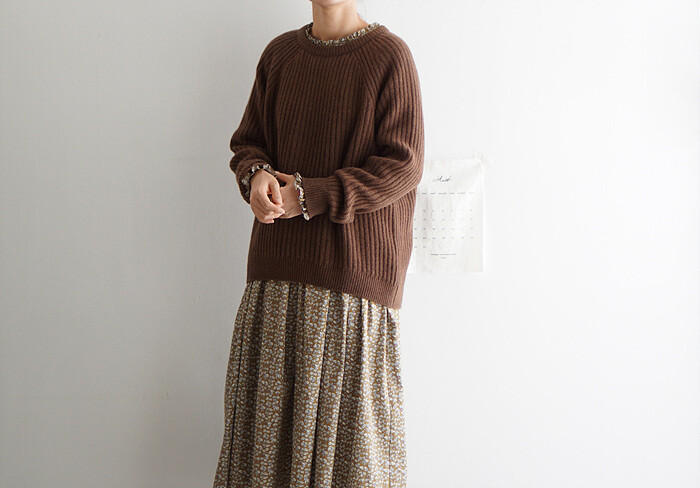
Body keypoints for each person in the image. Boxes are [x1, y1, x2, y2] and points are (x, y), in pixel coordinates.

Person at [213, 1, 424, 487]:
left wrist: (311, 195)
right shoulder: (279, 56)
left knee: (350, 465)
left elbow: (404, 165)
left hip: (349, 290)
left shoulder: (390, 56)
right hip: (274, 285)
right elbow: (248, 143)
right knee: (264, 463)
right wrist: (257, 176)